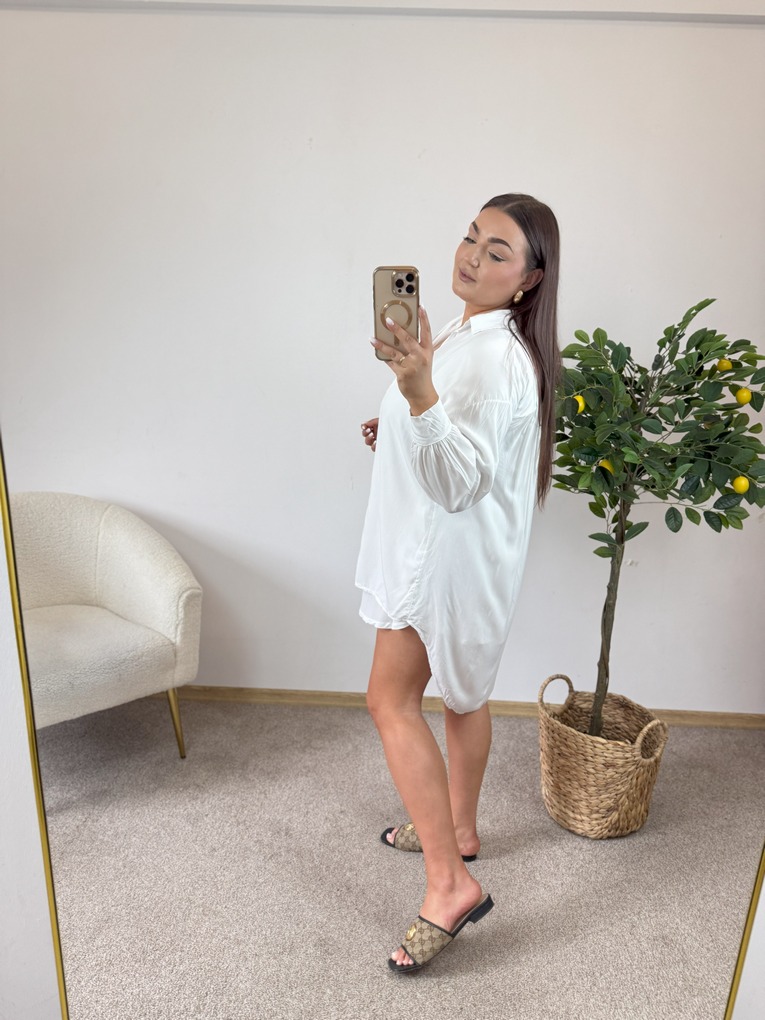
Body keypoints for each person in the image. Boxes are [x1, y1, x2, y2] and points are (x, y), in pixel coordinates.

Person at [355, 193, 561, 973]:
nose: (471, 255)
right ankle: (461, 829)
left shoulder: (490, 357)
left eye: (497, 251)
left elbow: (460, 483)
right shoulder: (469, 335)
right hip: (469, 558)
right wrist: (398, 424)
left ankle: (449, 885)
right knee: (463, 696)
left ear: (528, 278)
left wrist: (415, 392)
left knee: (389, 702)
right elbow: (464, 450)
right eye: (471, 237)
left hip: (434, 557)